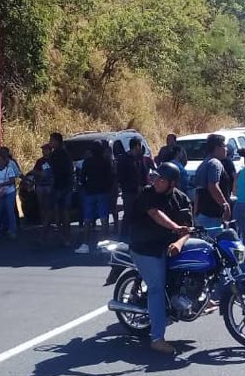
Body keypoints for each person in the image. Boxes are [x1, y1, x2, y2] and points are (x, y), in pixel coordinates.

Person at [130, 163, 193, 355]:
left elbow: (188, 228)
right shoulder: (147, 194)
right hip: (145, 249)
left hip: (169, 248)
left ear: (172, 183)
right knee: (157, 288)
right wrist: (175, 228)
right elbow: (156, 214)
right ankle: (157, 338)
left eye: (162, 179)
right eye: (155, 178)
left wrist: (180, 242)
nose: (156, 182)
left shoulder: (181, 199)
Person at [77, 143, 115, 254]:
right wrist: (108, 188)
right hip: (103, 192)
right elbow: (111, 177)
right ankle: (104, 244)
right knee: (104, 219)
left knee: (87, 219)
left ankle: (85, 244)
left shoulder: (87, 162)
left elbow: (82, 178)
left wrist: (86, 187)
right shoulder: (105, 162)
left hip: (90, 192)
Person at [193, 134, 232, 230]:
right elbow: (213, 186)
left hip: (203, 214)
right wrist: (225, 205)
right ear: (217, 148)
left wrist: (195, 213)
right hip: (213, 215)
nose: (226, 149)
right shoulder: (215, 163)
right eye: (224, 146)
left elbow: (198, 191)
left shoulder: (204, 164)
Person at [117, 138, 150, 238]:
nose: (140, 148)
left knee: (141, 214)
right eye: (139, 146)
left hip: (141, 191)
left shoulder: (140, 158)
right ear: (136, 146)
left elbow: (144, 173)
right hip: (129, 192)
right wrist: (133, 186)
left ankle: (139, 236)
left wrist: (145, 186)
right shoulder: (124, 159)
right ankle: (123, 238)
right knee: (128, 214)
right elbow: (121, 177)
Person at [48, 133, 75, 246]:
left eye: (52, 140)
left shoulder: (59, 155)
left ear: (58, 141)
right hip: (64, 185)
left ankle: (65, 237)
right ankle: (64, 237)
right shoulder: (62, 154)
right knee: (61, 212)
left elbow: (57, 172)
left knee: (60, 212)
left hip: (61, 186)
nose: (50, 142)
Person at [0, 147, 20, 239]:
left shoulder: (10, 166)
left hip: (9, 191)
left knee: (10, 210)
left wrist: (2, 184)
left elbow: (12, 179)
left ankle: (12, 230)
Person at [31, 144, 55, 239]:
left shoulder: (53, 161)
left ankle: (49, 223)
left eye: (45, 150)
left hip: (50, 185)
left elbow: (53, 173)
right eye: (43, 150)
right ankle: (44, 222)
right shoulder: (40, 161)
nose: (43, 151)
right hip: (40, 185)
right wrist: (41, 174)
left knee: (49, 204)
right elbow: (34, 171)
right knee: (41, 205)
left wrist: (47, 175)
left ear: (50, 150)